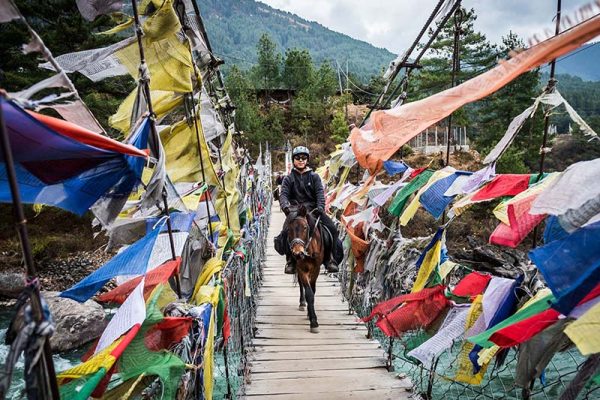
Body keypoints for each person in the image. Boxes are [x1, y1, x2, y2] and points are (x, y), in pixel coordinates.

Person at [279, 146, 343, 274]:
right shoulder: (288, 178)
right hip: (295, 211)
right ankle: (290, 260)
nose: (301, 160)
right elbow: (284, 194)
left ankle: (330, 259)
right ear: (293, 160)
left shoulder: (314, 177)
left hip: (313, 210)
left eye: (304, 158)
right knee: (285, 232)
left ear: (307, 160)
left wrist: (320, 207)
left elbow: (320, 193)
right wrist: (285, 206)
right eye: (298, 158)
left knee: (332, 229)